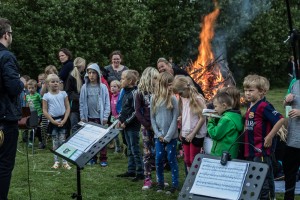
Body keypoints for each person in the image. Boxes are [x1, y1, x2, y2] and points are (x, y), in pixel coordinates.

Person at [243, 74, 284, 200]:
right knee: (261, 175)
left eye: (251, 90)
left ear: (262, 91)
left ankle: (266, 197)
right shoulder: (251, 106)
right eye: (245, 90)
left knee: (262, 177)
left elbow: (280, 120)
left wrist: (269, 137)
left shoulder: (264, 106)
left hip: (261, 149)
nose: (247, 93)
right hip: (251, 148)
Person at [0, 18, 24, 200]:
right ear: (6, 34)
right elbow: (13, 88)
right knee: (4, 165)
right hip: (4, 119)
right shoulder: (6, 56)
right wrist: (21, 82)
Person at [150, 72, 179, 194]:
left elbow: (174, 119)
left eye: (171, 85)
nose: (171, 87)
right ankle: (160, 183)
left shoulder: (173, 99)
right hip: (158, 136)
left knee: (171, 158)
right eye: (169, 85)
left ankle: (175, 184)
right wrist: (158, 134)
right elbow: (152, 118)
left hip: (171, 137)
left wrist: (167, 137)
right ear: (162, 84)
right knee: (158, 158)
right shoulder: (154, 98)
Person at [172, 75, 207, 172]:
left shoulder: (197, 99)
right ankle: (190, 181)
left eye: (180, 93)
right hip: (185, 133)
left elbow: (202, 118)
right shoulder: (184, 99)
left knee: (194, 160)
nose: (180, 95)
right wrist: (181, 131)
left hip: (196, 134)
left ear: (186, 88)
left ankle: (196, 180)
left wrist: (193, 134)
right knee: (187, 160)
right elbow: (185, 114)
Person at [79, 63, 110, 167]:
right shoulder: (84, 87)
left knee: (101, 139)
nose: (91, 75)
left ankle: (103, 158)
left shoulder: (103, 87)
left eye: (93, 73)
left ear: (98, 74)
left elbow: (107, 103)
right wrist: (83, 116)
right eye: (89, 73)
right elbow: (82, 103)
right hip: (89, 118)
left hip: (100, 118)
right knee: (90, 139)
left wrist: (105, 116)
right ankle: (92, 158)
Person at [116, 70, 144, 181]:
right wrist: (119, 119)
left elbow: (136, 111)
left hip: (132, 126)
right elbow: (123, 109)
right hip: (124, 125)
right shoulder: (124, 91)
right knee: (129, 147)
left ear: (130, 81)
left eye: (123, 78)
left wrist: (126, 122)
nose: (120, 80)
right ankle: (131, 170)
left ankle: (140, 172)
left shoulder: (135, 93)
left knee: (135, 148)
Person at [135, 67, 159, 190]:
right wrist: (147, 124)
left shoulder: (159, 91)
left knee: (159, 153)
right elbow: (137, 111)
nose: (156, 80)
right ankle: (147, 178)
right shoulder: (139, 92)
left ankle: (160, 178)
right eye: (155, 78)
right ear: (148, 78)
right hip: (146, 127)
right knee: (147, 153)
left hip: (159, 127)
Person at [42, 74, 71, 170]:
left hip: (63, 120)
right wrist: (52, 121)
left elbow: (67, 108)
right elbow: (45, 111)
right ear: (47, 84)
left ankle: (65, 161)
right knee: (55, 142)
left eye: (57, 81)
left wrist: (65, 119)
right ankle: (56, 161)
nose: (55, 83)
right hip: (53, 121)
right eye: (52, 81)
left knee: (63, 141)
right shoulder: (46, 96)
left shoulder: (63, 94)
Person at [207, 90, 243, 159]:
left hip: (221, 154)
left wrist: (210, 121)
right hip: (230, 153)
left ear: (224, 106)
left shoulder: (226, 119)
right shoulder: (235, 115)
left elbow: (215, 134)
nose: (214, 109)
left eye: (215, 106)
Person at [283, 78, 300, 200]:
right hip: (293, 138)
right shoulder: (295, 82)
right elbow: (285, 106)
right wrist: (286, 101)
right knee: (289, 173)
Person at [65, 57, 86, 134]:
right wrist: (80, 98)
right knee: (75, 126)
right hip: (74, 107)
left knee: (82, 126)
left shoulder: (83, 76)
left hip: (82, 107)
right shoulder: (71, 76)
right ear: (82, 65)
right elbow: (68, 92)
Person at [26, 79, 45, 149]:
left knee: (34, 127)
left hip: (38, 114)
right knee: (36, 128)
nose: (31, 90)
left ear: (36, 88)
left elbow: (42, 102)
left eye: (32, 88)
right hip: (31, 114)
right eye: (29, 88)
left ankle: (32, 141)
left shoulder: (38, 95)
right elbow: (27, 105)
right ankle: (40, 141)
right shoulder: (27, 96)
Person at [109, 80, 121, 153]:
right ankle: (118, 147)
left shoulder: (120, 96)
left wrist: (119, 116)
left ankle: (118, 148)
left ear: (119, 88)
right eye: (111, 86)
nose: (112, 88)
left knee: (116, 133)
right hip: (113, 118)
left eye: (115, 86)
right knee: (114, 134)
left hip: (119, 118)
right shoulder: (112, 96)